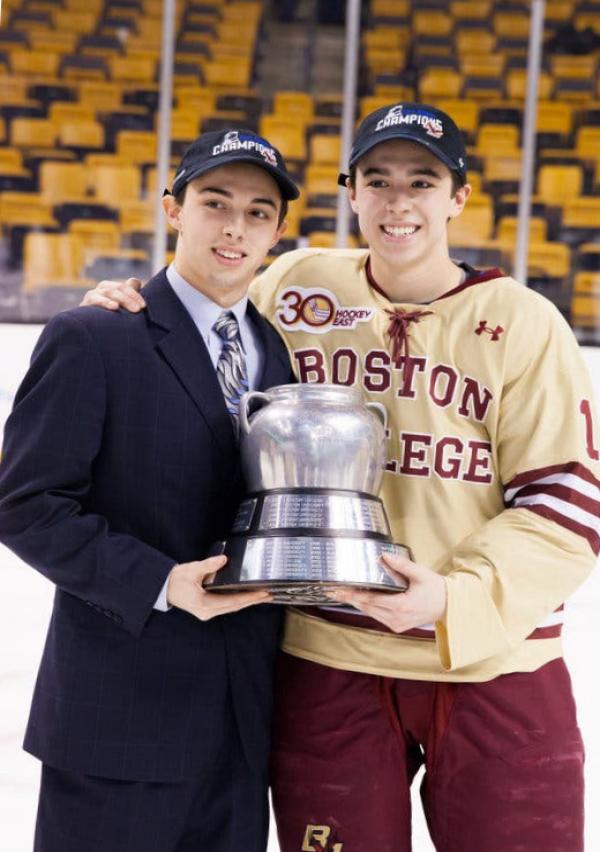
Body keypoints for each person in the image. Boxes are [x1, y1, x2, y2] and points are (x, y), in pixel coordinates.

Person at [80, 103, 600, 852]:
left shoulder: (522, 322)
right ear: (350, 192)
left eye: (421, 181)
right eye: (377, 180)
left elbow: (565, 500)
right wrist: (125, 302)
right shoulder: (296, 286)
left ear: (457, 196)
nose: (397, 202)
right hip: (329, 654)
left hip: (495, 657)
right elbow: (199, 316)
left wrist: (453, 601)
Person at [0, 128, 299, 852]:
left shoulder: (280, 352)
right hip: (118, 729)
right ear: (173, 209)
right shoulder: (94, 336)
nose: (235, 227)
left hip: (241, 728)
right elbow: (24, 505)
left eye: (259, 212)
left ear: (280, 232)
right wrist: (162, 582)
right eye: (214, 202)